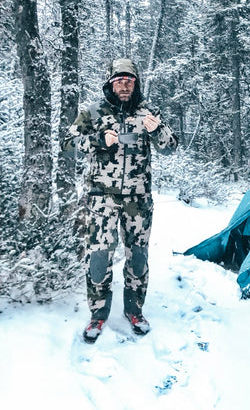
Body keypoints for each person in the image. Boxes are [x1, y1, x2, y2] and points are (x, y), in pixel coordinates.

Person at [63, 58, 178, 343]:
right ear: (110, 83)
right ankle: (98, 314)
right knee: (99, 259)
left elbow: (171, 147)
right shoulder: (92, 112)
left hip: (138, 201)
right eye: (119, 80)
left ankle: (134, 311)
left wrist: (156, 129)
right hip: (101, 199)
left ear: (136, 83)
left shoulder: (148, 111)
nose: (124, 85)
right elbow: (67, 144)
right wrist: (99, 139)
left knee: (137, 258)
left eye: (129, 80)